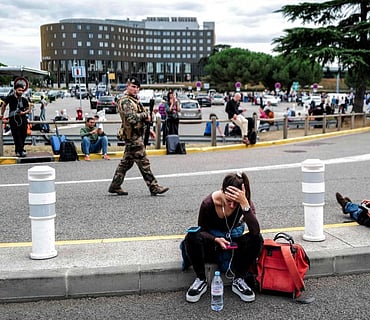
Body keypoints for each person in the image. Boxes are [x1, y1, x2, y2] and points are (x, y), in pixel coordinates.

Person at [182, 172, 263, 303]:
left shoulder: (244, 203)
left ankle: (239, 279)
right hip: (213, 245)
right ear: (222, 190)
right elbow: (201, 231)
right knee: (192, 236)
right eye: (228, 201)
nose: (231, 205)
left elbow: (255, 231)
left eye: (235, 203)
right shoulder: (208, 203)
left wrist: (244, 205)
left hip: (232, 246)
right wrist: (215, 239)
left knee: (256, 239)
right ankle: (201, 279)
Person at [108, 77, 169, 196]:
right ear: (127, 86)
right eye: (133, 87)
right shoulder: (125, 101)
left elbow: (139, 119)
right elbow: (131, 118)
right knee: (143, 162)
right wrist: (145, 115)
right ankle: (153, 186)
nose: (135, 89)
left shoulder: (133, 100)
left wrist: (148, 129)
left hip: (135, 135)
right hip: (133, 137)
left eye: (137, 87)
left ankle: (115, 185)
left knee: (126, 163)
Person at [0, 82, 32, 157]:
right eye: (19, 90)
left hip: (22, 118)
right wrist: (2, 114)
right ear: (15, 90)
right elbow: (4, 105)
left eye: (22, 90)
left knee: (23, 134)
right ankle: (19, 150)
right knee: (16, 135)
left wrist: (23, 112)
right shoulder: (10, 98)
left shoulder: (24, 99)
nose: (20, 92)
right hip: (13, 118)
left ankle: (20, 149)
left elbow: (28, 109)